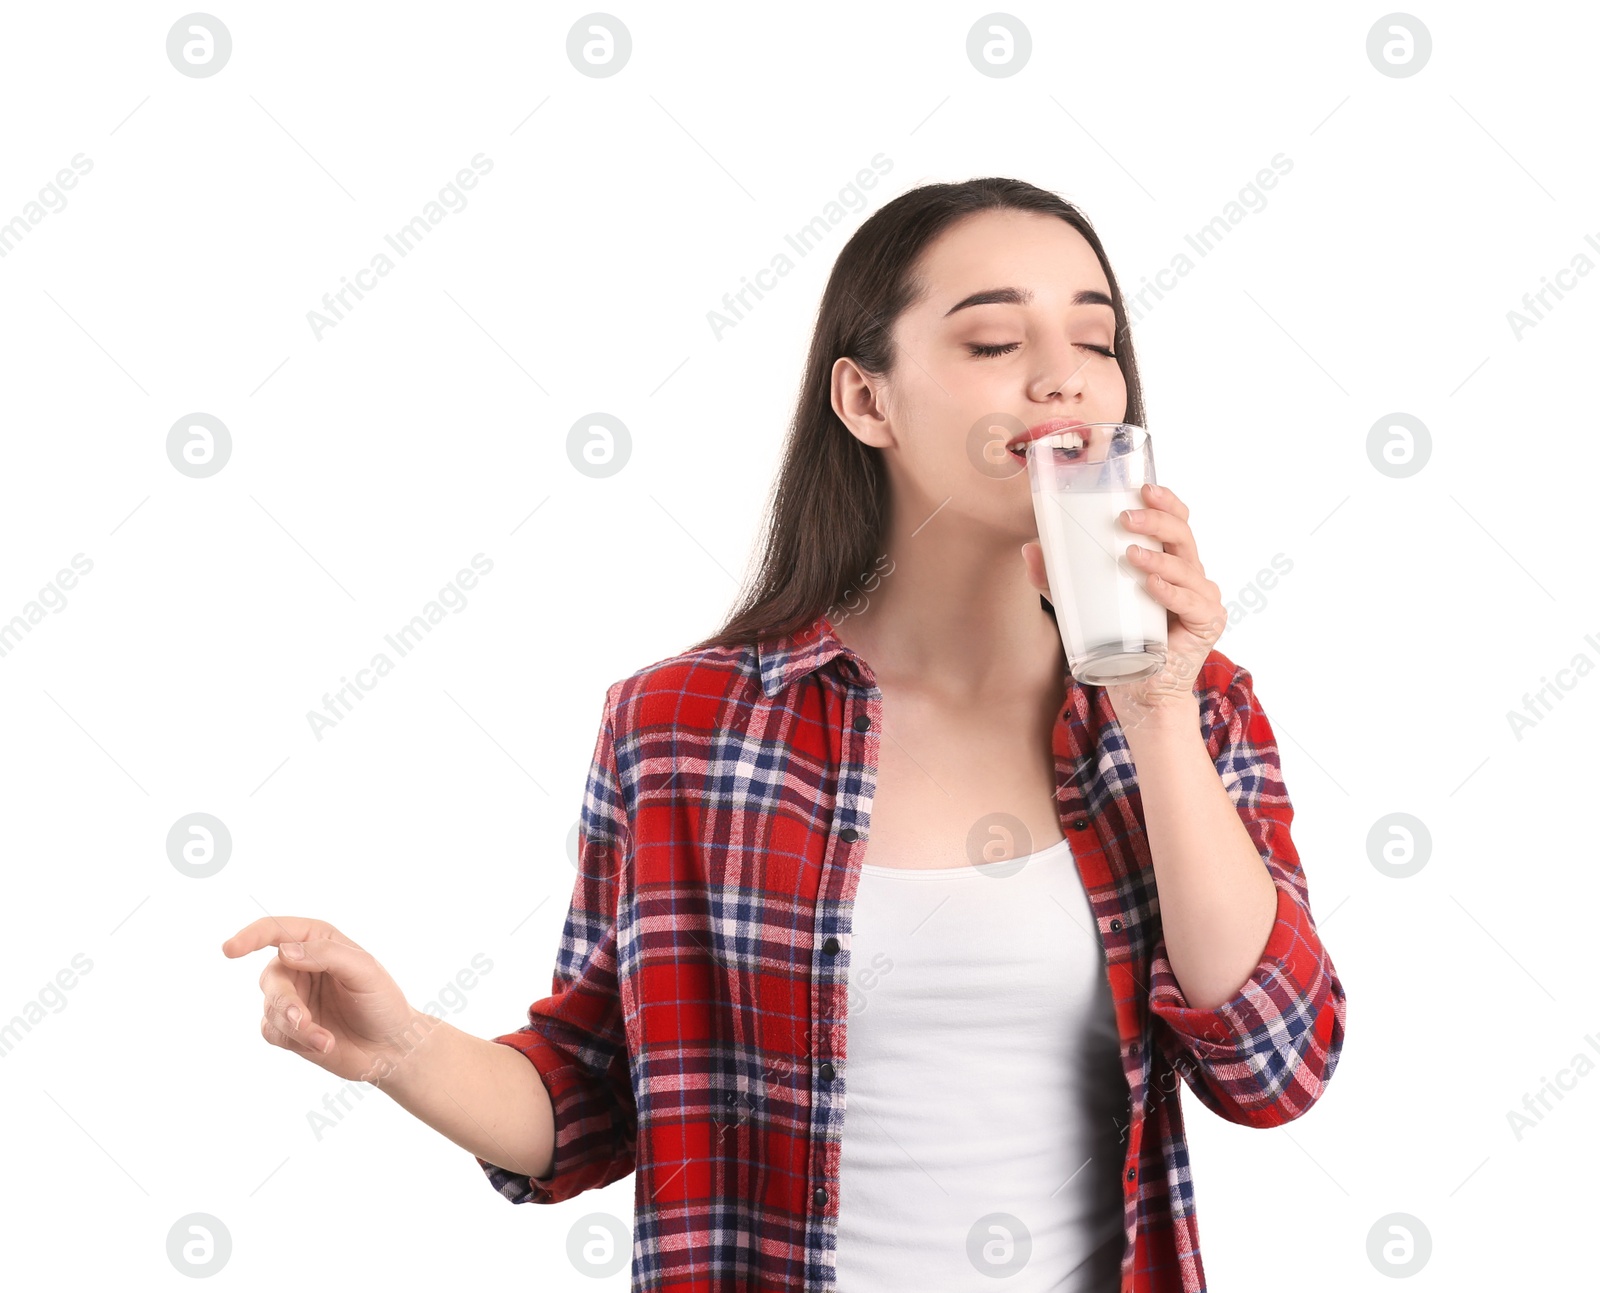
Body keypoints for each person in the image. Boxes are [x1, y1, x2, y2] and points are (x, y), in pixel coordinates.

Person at [222, 176, 1346, 1293]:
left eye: (1095, 342)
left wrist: (1151, 709)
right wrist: (395, 1050)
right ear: (866, 403)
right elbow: (598, 1097)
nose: (1061, 374)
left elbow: (1274, 1069)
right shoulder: (683, 727)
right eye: (995, 339)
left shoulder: (1194, 707)